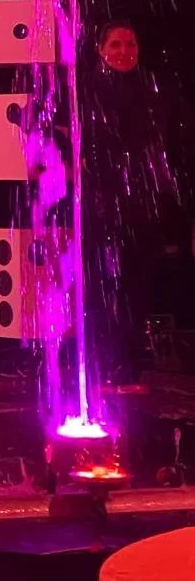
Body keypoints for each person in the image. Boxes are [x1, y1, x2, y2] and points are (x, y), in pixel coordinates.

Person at [84, 19, 194, 379]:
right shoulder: (87, 91)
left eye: (130, 45)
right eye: (115, 45)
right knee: (104, 286)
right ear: (101, 50)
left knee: (137, 286)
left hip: (142, 207)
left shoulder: (154, 91)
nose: (123, 51)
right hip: (101, 206)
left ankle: (128, 363)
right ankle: (103, 362)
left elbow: (167, 146)